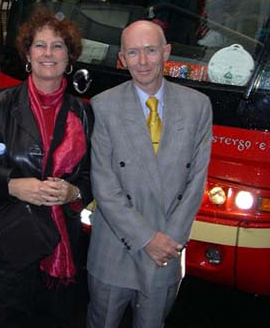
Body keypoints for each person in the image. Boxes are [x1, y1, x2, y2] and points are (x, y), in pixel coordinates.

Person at [0, 5, 94, 328]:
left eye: (58, 46)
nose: (48, 53)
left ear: (69, 58)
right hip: (8, 247)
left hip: (60, 244)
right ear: (27, 53)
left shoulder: (82, 113)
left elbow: (91, 175)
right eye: (40, 45)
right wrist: (13, 185)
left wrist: (74, 190)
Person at [86, 20, 213, 328]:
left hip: (166, 250)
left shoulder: (197, 106)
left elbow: (196, 181)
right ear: (122, 58)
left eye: (150, 50)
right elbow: (104, 186)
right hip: (114, 247)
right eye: (133, 52)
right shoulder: (104, 106)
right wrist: (146, 239)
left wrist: (169, 240)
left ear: (166, 52)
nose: (142, 61)